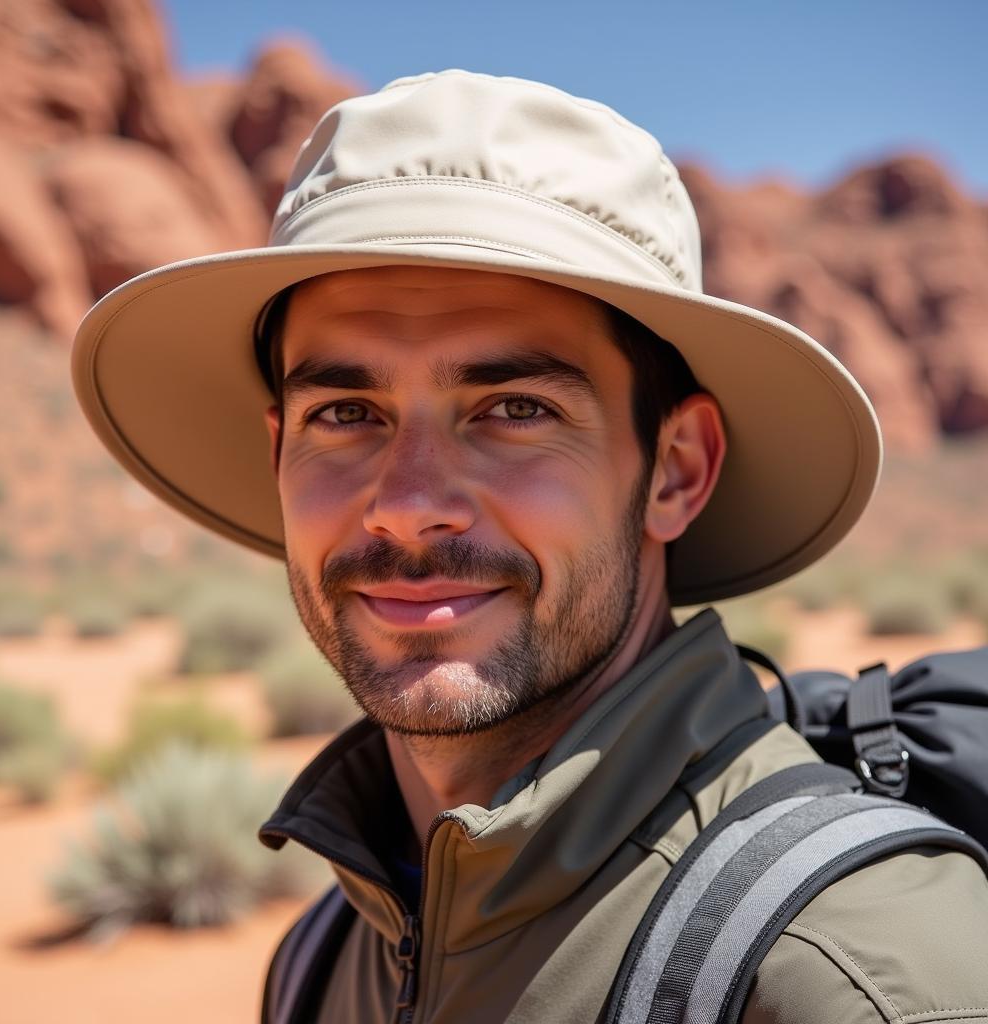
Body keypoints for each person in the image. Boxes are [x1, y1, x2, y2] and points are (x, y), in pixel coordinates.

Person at [71, 70, 988, 1022]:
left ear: (675, 470)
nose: (409, 505)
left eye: (515, 409)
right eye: (345, 412)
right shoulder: (325, 957)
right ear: (277, 456)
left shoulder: (846, 979)